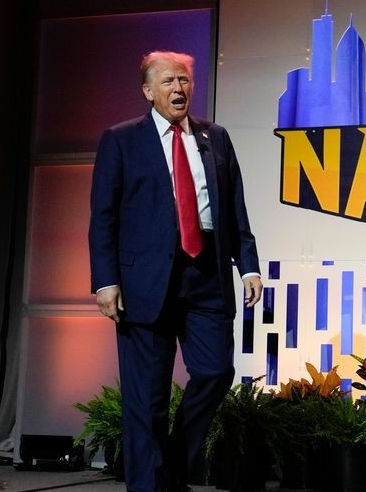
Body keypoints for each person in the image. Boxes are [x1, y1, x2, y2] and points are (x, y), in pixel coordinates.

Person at [89, 51, 263, 492]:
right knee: (146, 398)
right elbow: (103, 216)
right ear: (148, 91)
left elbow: (233, 208)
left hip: (205, 274)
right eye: (167, 81)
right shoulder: (122, 140)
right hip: (144, 282)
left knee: (214, 372)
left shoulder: (215, 138)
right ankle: (150, 485)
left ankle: (167, 465)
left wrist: (248, 266)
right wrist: (105, 279)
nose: (178, 89)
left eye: (184, 80)